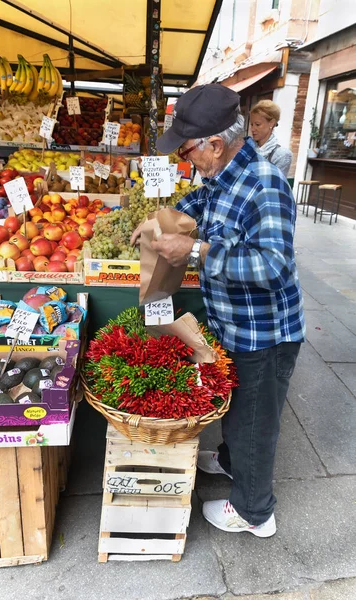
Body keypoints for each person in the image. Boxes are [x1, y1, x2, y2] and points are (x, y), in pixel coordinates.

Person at [131, 84, 305, 538]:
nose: (186, 160)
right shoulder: (221, 175)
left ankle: (254, 511)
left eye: (188, 150)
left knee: (254, 420)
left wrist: (194, 251)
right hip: (233, 324)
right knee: (235, 400)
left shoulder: (265, 185)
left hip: (264, 334)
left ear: (215, 143)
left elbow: (273, 265)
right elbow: (202, 206)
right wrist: (160, 220)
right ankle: (231, 462)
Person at [250, 99, 292, 176]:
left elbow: (275, 185)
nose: (253, 129)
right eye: (252, 124)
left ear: (271, 123)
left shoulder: (281, 155)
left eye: (257, 124)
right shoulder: (246, 147)